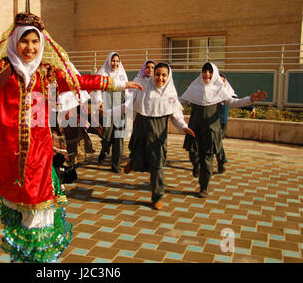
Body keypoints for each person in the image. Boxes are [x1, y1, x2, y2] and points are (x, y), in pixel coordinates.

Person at [0, 12, 142, 263]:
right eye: (24, 41)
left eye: (35, 42)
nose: (30, 48)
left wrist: (117, 85)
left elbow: (80, 81)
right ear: (15, 41)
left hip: (38, 152)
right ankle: (23, 256)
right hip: (6, 153)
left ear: (41, 44)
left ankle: (40, 260)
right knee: (16, 208)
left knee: (38, 206)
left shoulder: (48, 74)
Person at [181, 62, 267, 198]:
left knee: (207, 158)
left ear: (214, 73)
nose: (207, 74)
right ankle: (195, 165)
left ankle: (204, 187)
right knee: (193, 154)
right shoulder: (194, 88)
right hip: (194, 129)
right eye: (204, 71)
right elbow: (181, 101)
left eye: (210, 71)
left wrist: (250, 100)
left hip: (211, 130)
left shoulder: (219, 90)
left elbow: (234, 102)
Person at [123, 63, 195, 210]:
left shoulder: (170, 95)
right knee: (138, 160)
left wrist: (183, 127)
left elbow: (176, 116)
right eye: (157, 74)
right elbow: (131, 107)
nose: (160, 78)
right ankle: (133, 163)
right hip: (141, 131)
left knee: (157, 167)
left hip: (158, 137)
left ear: (168, 77)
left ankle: (157, 196)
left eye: (163, 75)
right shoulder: (144, 88)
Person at [91, 52, 128, 173]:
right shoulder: (102, 73)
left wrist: (128, 104)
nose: (115, 63)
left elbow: (127, 90)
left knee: (119, 136)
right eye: (113, 61)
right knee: (107, 134)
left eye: (117, 61)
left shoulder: (122, 74)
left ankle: (115, 164)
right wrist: (99, 101)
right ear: (108, 61)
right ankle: (104, 148)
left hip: (120, 105)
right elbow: (96, 89)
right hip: (106, 104)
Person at [216, 74, 256, 173]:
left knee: (216, 142)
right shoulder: (211, 94)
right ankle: (219, 163)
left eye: (223, 81)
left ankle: (220, 162)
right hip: (211, 122)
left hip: (222, 123)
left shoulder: (228, 95)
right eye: (218, 81)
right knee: (215, 143)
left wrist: (251, 107)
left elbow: (237, 103)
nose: (221, 83)